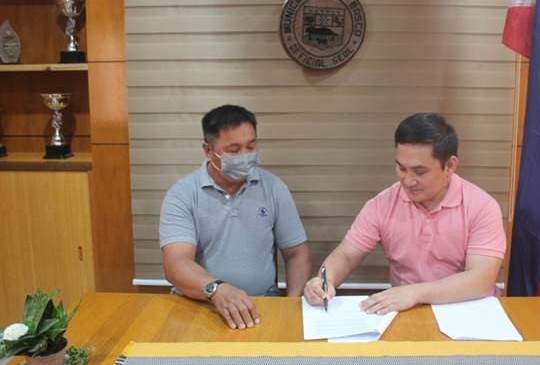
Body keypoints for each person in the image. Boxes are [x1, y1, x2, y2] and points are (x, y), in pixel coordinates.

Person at [304, 112, 506, 314]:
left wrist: (414, 293)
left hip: (469, 312)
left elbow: (481, 279)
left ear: (450, 165)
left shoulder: (481, 207)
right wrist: (324, 279)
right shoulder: (382, 204)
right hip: (407, 312)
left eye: (420, 172)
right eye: (401, 168)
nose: (408, 181)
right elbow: (346, 256)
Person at [160, 105, 311, 330]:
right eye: (233, 150)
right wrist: (217, 289)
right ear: (208, 150)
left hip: (261, 302)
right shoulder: (182, 194)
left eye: (251, 146)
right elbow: (176, 263)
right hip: (200, 303)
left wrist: (291, 304)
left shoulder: (273, 188)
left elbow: (297, 253)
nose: (245, 156)